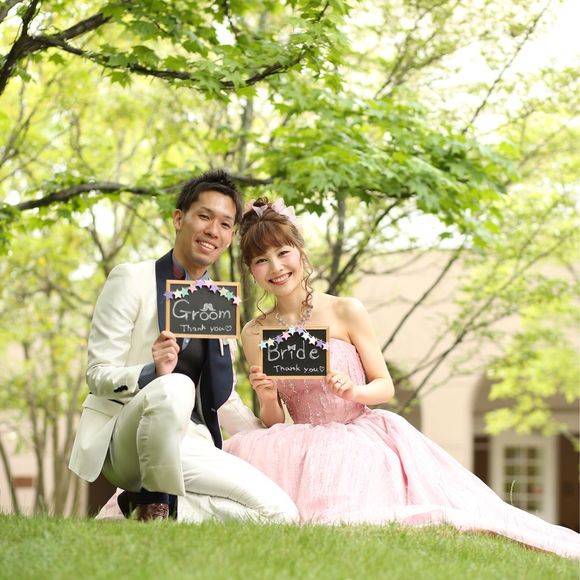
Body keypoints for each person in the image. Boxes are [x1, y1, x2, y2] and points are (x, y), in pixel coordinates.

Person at [222, 197, 580, 558]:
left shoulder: (345, 310)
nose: (276, 267)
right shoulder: (254, 333)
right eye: (261, 260)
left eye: (283, 252)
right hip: (297, 441)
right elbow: (274, 421)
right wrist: (266, 396)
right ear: (251, 270)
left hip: (355, 433)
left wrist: (352, 390)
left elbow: (384, 386)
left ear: (300, 252)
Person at [69, 171, 298, 523]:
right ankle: (154, 499)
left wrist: (271, 436)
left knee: (280, 513)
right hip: (128, 436)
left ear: (230, 236)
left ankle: (156, 510)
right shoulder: (132, 279)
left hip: (192, 441)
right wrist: (151, 373)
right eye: (204, 216)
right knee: (175, 385)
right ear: (179, 218)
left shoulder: (219, 302)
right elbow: (98, 375)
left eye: (225, 224)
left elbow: (223, 400)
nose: (213, 230)